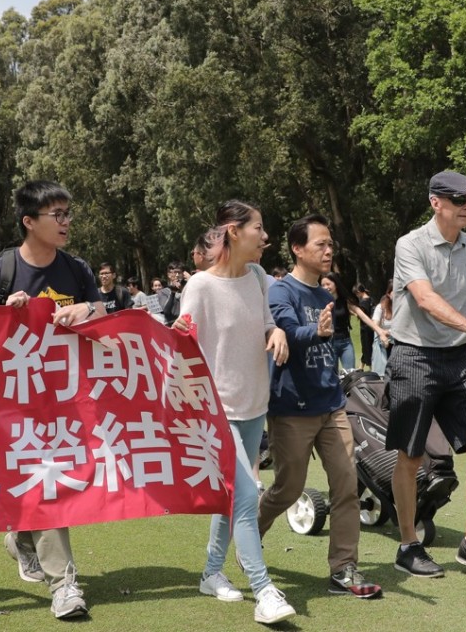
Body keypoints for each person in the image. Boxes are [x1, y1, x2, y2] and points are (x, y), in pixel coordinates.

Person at [0, 180, 105, 620]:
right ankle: (64, 584)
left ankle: (23, 539)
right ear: (29, 222)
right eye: (57, 215)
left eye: (69, 213)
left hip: (67, 402)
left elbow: (105, 314)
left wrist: (87, 310)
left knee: (54, 483)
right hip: (13, 404)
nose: (67, 222)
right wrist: (2, 316)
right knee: (47, 484)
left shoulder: (77, 270)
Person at [173, 201, 296, 625]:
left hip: (253, 404)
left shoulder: (259, 277)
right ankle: (264, 590)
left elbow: (264, 321)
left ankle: (211, 572)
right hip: (216, 410)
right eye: (258, 228)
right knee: (246, 497)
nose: (265, 237)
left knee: (230, 496)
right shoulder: (200, 287)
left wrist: (276, 330)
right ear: (233, 231)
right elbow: (182, 347)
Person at [386, 170, 466, 580]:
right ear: (435, 202)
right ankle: (408, 544)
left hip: (459, 360)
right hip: (414, 356)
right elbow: (425, 299)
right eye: (458, 200)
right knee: (411, 455)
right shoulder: (410, 244)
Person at [258, 213, 383, 601]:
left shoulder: (325, 294)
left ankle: (343, 569)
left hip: (331, 405)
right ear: (298, 249)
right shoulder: (282, 291)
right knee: (287, 487)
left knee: (346, 484)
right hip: (292, 408)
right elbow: (288, 333)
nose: (329, 251)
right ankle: (246, 536)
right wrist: (316, 331)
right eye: (320, 245)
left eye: (331, 244)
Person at [319, 272, 389, 372]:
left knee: (350, 375)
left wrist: (380, 331)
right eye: (323, 285)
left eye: (328, 284)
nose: (325, 287)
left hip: (345, 343)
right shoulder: (320, 301)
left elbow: (363, 316)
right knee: (332, 377)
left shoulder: (345, 301)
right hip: (329, 343)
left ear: (336, 284)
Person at [371, 280, 393, 376]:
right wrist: (383, 333)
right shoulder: (381, 307)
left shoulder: (403, 307)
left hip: (397, 343)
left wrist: (390, 332)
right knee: (382, 374)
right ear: (389, 293)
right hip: (383, 344)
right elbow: (374, 324)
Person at [354, 283, 375, 368]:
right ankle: (361, 366)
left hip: (365, 328)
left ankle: (371, 367)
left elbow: (360, 314)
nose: (356, 295)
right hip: (371, 326)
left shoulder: (363, 302)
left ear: (359, 292)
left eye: (356, 293)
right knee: (367, 346)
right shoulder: (370, 299)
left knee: (366, 347)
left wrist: (352, 311)